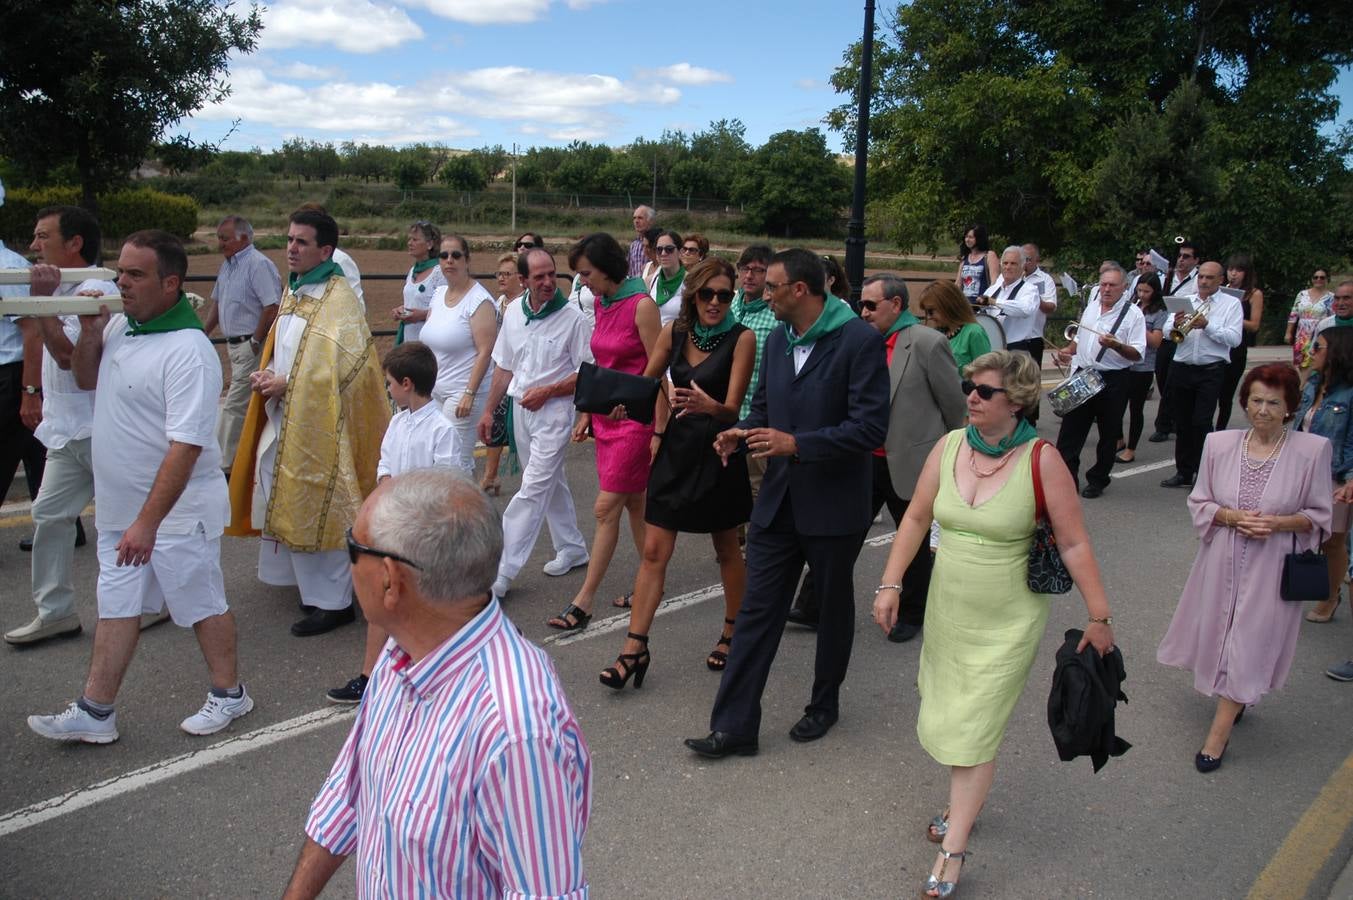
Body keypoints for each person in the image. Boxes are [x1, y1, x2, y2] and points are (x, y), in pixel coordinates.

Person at [872, 350, 1117, 898]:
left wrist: (1099, 615)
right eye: (969, 387)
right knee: (949, 712)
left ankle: (953, 848)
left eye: (985, 391)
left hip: (1008, 620)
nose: (971, 398)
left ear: (1019, 401)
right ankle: (963, 805)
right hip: (948, 609)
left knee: (977, 726)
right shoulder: (951, 444)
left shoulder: (1042, 460)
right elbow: (915, 516)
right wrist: (890, 583)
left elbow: (1075, 542)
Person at [284, 470, 591, 900]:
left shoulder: (516, 731)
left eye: (353, 548)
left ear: (390, 580)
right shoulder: (399, 653)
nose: (347, 560)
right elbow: (348, 795)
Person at [27, 230, 254, 743]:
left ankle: (230, 694)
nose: (120, 283)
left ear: (170, 283)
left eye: (135, 275)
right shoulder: (119, 327)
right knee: (117, 606)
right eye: (119, 272)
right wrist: (90, 330)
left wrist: (148, 523)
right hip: (120, 510)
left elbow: (187, 445)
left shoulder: (189, 350)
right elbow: (85, 377)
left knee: (201, 603)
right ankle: (96, 710)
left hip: (175, 511)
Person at [684, 248, 889, 759]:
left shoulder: (859, 341)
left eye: (771, 286)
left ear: (800, 289)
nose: (762, 293)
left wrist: (797, 444)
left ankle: (824, 704)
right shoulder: (776, 341)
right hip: (778, 503)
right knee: (756, 610)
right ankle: (734, 726)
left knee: (833, 609)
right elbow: (764, 411)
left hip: (835, 505)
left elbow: (870, 428)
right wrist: (741, 432)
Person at [587, 258, 755, 685]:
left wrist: (709, 407)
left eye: (724, 295)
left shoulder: (742, 338)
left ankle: (733, 632)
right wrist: (621, 403)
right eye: (707, 294)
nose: (716, 302)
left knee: (726, 549)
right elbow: (645, 385)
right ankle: (634, 649)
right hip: (677, 452)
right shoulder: (675, 332)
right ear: (693, 295)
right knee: (653, 553)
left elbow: (732, 408)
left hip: (718, 450)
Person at [1157, 363, 1332, 773]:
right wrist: (1232, 517)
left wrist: (1277, 523)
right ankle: (1237, 695)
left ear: (1290, 407)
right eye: (1256, 400)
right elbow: (1199, 501)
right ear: (1244, 401)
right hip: (1221, 559)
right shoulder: (1219, 444)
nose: (1264, 410)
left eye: (1274, 402)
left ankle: (1218, 733)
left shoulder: (1312, 450)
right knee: (1221, 630)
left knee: (1250, 638)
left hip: (1274, 561)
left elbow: (1320, 515)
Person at [227, 209, 390, 637]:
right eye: (289, 239)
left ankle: (334, 603)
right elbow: (289, 348)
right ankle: (306, 586)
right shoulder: (296, 290)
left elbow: (349, 369)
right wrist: (270, 375)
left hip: (322, 421)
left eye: (301, 241)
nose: (292, 248)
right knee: (278, 483)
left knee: (322, 497)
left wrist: (289, 382)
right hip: (285, 411)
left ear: (326, 250)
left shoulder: (338, 298)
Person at [4, 207, 117, 646]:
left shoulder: (95, 289)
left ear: (75, 244)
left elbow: (71, 359)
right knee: (49, 516)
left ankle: (149, 604)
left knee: (124, 524)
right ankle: (55, 612)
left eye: (42, 237)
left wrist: (45, 304)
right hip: (66, 429)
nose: (34, 247)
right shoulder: (65, 287)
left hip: (100, 429)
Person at [326, 342, 454, 705]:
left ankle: (439, 672)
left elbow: (445, 483)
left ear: (408, 383)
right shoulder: (398, 421)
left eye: (391, 383)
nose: (388, 388)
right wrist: (384, 492)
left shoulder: (441, 428)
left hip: (423, 532)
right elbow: (386, 463)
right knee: (384, 602)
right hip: (394, 527)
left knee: (429, 606)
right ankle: (369, 677)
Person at [477, 248, 592, 600]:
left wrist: (550, 391)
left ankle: (501, 573)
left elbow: (587, 372)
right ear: (523, 281)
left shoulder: (574, 319)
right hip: (521, 411)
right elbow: (504, 366)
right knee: (550, 483)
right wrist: (488, 410)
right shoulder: (512, 312)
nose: (546, 283)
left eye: (550, 275)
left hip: (554, 413)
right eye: (538, 277)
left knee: (531, 490)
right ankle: (572, 547)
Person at [557, 233, 660, 613]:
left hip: (634, 422)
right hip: (606, 420)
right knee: (635, 504)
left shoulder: (641, 306)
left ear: (607, 267)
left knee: (605, 508)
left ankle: (584, 600)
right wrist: (587, 412)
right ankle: (653, 579)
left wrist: (643, 416)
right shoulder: (603, 303)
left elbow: (656, 368)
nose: (582, 282)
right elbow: (602, 364)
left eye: (586, 273)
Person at [1050, 263, 1146, 498]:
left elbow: (1137, 354)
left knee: (1108, 433)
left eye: (1112, 285)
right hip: (1084, 375)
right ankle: (1067, 479)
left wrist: (1117, 345)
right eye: (1103, 284)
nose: (1106, 289)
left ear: (1124, 287)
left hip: (1114, 379)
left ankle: (1098, 478)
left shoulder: (1133, 314)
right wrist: (1067, 352)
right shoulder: (1092, 307)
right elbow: (1079, 338)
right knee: (1070, 431)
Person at [201, 215, 281, 468]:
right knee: (242, 400)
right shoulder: (228, 266)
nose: (220, 243)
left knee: (235, 402)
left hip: (249, 344)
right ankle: (241, 456)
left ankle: (223, 463)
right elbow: (218, 302)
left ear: (244, 238)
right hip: (234, 345)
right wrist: (202, 333)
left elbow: (272, 305)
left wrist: (256, 341)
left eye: (225, 238)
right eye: (219, 238)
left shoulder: (258, 265)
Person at [1160, 261, 1243, 488]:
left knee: (1201, 423)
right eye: (1201, 277)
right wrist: (1174, 324)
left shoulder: (1231, 304)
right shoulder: (1186, 301)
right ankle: (1183, 472)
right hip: (1182, 367)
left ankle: (1204, 475)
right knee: (1183, 423)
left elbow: (1235, 339)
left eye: (1209, 278)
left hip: (1210, 370)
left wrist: (1207, 325)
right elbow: (1168, 332)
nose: (1204, 281)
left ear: (1220, 279)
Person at [419, 234, 496, 477]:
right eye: (444, 256)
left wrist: (469, 394)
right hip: (435, 391)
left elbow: (486, 351)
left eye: (456, 255)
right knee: (437, 461)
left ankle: (471, 514)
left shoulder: (479, 300)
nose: (449, 261)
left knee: (456, 465)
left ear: (467, 260)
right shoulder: (439, 294)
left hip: (462, 394)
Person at [1293, 328, 1353, 624]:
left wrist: (1350, 478)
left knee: (1332, 540)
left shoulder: (1350, 394)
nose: (1311, 351)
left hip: (1336, 476)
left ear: (1338, 353)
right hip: (1300, 470)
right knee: (1298, 533)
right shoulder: (1313, 383)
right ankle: (1297, 585)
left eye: (1318, 346)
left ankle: (1330, 595)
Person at [0, 179, 46, 529]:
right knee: (35, 451)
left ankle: (57, 522)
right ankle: (60, 524)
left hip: (11, 372)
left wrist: (30, 392)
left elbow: (31, 333)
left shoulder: (9, 267)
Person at [1149, 241, 1202, 443]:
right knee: (1163, 378)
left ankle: (1164, 425)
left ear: (1196, 260)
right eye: (1180, 255)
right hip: (1165, 333)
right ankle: (1173, 418)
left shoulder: (1197, 280)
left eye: (1187, 256)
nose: (1181, 259)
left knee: (1173, 382)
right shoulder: (1166, 277)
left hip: (1185, 336)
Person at [479, 252, 522, 496]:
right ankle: (490, 475)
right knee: (494, 421)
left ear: (520, 277)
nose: (501, 279)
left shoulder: (524, 304)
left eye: (507, 274)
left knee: (516, 427)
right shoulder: (499, 303)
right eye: (499, 274)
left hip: (518, 373)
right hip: (500, 371)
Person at [1115, 274, 1168, 464]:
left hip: (1143, 367)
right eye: (1139, 290)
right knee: (1116, 406)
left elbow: (1155, 341)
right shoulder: (1130, 306)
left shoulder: (1159, 312)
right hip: (1123, 363)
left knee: (1135, 408)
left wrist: (1139, 324)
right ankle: (1119, 440)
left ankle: (1131, 448)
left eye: (1147, 291)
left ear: (1155, 292)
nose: (1142, 295)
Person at [1216, 254, 1264, 430]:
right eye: (1230, 269)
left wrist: (1234, 317)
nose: (1233, 274)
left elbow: (1254, 325)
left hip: (1236, 348)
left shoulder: (1254, 293)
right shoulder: (1220, 289)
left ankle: (1221, 428)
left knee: (1226, 394)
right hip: (1218, 344)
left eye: (1238, 270)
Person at [390, 220, 445, 344]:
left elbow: (448, 310)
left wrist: (422, 315)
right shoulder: (412, 271)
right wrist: (401, 310)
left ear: (429, 244)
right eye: (410, 239)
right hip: (409, 339)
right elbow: (413, 302)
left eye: (415, 240)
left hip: (430, 341)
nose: (410, 243)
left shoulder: (440, 272)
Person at [919, 280, 991, 371]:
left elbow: (986, 373)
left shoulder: (974, 333)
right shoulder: (937, 333)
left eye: (931, 311)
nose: (928, 317)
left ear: (947, 306)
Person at [1286, 268, 1333, 369]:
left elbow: (1332, 317)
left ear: (1326, 279)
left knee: (1317, 363)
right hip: (1302, 335)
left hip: (1320, 334)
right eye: (1315, 277)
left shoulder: (1331, 297)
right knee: (1300, 363)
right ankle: (1301, 384)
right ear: (1312, 279)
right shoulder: (1302, 294)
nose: (1318, 279)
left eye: (1322, 277)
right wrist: (1288, 332)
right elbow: (1294, 314)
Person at [646, 229, 687, 326]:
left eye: (669, 249)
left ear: (680, 252)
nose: (663, 253)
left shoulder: (690, 282)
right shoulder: (649, 281)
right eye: (659, 250)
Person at [954, 223, 998, 304]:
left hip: (982, 306)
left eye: (971, 237)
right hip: (965, 306)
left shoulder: (989, 256)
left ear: (979, 238)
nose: (967, 240)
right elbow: (958, 284)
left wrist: (987, 299)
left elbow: (994, 282)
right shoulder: (965, 258)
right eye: (966, 237)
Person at [628, 205, 654, 277]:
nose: (636, 221)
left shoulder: (658, 242)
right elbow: (630, 271)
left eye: (640, 218)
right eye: (634, 218)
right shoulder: (634, 245)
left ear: (650, 221)